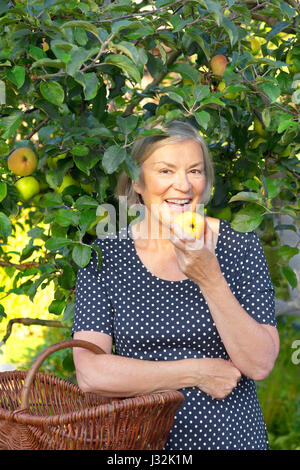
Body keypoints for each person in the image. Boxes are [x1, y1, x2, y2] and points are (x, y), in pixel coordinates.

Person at [72, 120, 279, 450]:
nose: (183, 186)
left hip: (232, 440)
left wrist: (210, 278)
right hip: (143, 444)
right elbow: (92, 374)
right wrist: (195, 372)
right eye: (166, 171)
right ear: (138, 181)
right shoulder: (105, 256)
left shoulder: (240, 246)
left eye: (194, 171)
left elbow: (260, 363)